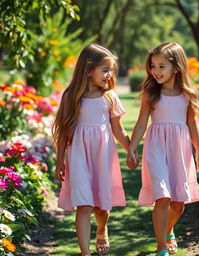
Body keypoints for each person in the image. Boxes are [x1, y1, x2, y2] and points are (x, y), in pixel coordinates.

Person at [52, 44, 137, 256]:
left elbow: (117, 130)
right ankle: (85, 253)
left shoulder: (109, 97)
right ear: (89, 69)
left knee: (101, 207)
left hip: (102, 156)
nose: (109, 75)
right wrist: (59, 160)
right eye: (105, 70)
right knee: (84, 206)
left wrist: (130, 149)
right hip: (78, 156)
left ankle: (101, 229)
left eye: (111, 70)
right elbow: (63, 132)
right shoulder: (71, 96)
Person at [127, 42, 199, 256]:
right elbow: (141, 123)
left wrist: (198, 151)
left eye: (162, 66)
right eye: (153, 66)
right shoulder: (151, 93)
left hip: (180, 150)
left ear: (177, 67)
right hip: (156, 148)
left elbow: (192, 124)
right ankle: (161, 247)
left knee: (178, 203)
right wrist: (132, 148)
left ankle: (168, 231)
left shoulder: (188, 95)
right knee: (162, 196)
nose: (156, 71)